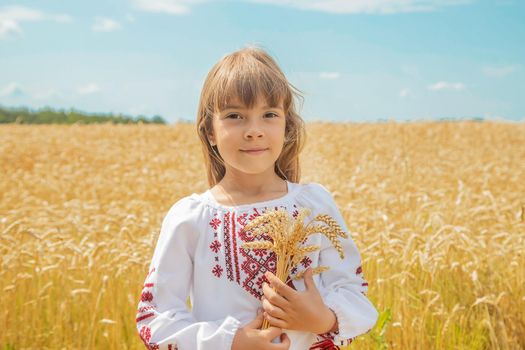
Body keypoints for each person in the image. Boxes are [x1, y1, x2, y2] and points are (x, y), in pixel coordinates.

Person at [135, 45, 378, 350]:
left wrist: (323, 319)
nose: (254, 130)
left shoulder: (314, 206)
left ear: (287, 125)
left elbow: (355, 294)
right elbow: (154, 318)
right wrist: (230, 342)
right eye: (235, 115)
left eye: (269, 114)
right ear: (210, 130)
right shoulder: (191, 217)